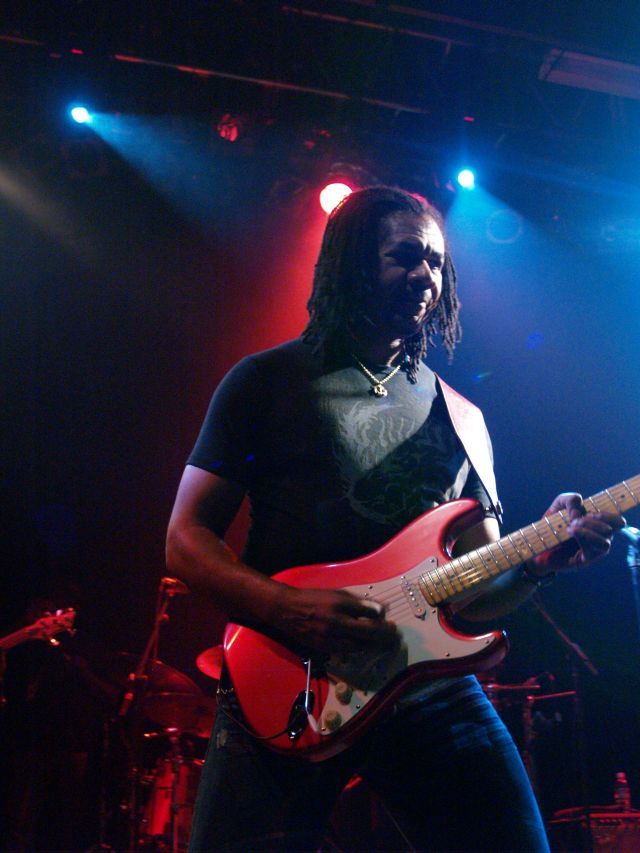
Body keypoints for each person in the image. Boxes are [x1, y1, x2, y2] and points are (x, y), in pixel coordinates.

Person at [166, 186, 624, 851]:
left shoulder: (462, 418)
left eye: (436, 262)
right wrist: (283, 608)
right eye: (406, 256)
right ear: (353, 261)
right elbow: (185, 539)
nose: (425, 276)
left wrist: (538, 565)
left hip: (428, 691)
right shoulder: (265, 381)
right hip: (290, 677)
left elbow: (475, 590)